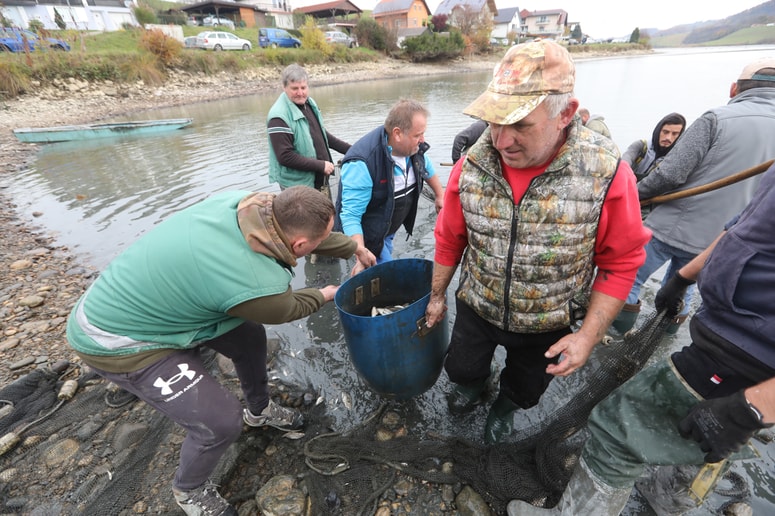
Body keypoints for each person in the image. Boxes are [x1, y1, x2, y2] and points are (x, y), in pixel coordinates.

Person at [66, 186, 376, 515]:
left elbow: (309, 236)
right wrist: (327, 293)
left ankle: (259, 410)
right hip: (116, 338)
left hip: (155, 300)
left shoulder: (249, 206)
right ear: (299, 246)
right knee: (222, 421)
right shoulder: (256, 281)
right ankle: (189, 490)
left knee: (250, 336)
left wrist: (353, 248)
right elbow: (287, 308)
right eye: (317, 240)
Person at [507, 161, 775, 516]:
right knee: (704, 437)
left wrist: (752, 407)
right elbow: (743, 229)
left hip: (745, 353)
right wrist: (683, 276)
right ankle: (666, 502)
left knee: (616, 426)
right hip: (732, 340)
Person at [424, 40, 650, 444]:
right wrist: (438, 295)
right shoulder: (471, 165)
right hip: (479, 304)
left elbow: (621, 263)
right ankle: (473, 387)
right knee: (459, 368)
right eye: (495, 121)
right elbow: (449, 237)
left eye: (521, 125)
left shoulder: (606, 173)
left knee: (527, 389)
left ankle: (504, 407)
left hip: (549, 319)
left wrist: (587, 336)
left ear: (565, 113)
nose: (501, 141)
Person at [612, 57, 775, 336]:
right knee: (682, 289)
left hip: (671, 227)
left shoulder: (717, 118)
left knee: (627, 278)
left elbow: (670, 175)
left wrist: (635, 195)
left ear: (734, 88)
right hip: (718, 240)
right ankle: (662, 341)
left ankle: (613, 339)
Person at [335, 98, 445, 263]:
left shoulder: (412, 148)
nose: (423, 140)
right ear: (397, 133)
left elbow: (425, 165)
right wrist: (361, 253)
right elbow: (351, 216)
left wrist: (439, 194)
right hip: (367, 237)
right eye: (418, 135)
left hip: (387, 227)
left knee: (386, 249)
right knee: (382, 274)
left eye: (423, 133)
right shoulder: (362, 163)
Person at [267, 64, 351, 193]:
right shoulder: (278, 117)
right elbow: (285, 156)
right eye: (295, 88)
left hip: (319, 180)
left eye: (303, 87)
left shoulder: (309, 103)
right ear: (284, 87)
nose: (300, 93)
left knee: (326, 213)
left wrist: (353, 150)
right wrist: (320, 165)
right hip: (298, 188)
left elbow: (322, 136)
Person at [621, 112, 687, 220]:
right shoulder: (641, 147)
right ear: (658, 130)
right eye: (665, 132)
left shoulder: (675, 159)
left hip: (648, 206)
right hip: (625, 193)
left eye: (675, 134)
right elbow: (624, 164)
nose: (668, 138)